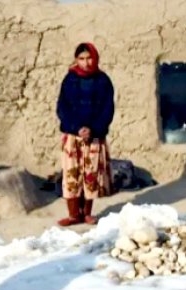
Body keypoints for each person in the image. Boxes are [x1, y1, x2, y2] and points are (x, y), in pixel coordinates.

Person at [56, 42, 115, 226]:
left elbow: (107, 109)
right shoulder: (69, 80)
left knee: (91, 174)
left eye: (89, 58)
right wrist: (76, 128)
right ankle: (74, 214)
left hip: (94, 136)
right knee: (72, 174)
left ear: (95, 58)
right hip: (73, 136)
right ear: (76, 60)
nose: (86, 62)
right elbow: (62, 108)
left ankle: (87, 213)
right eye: (81, 59)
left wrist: (92, 129)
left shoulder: (103, 81)